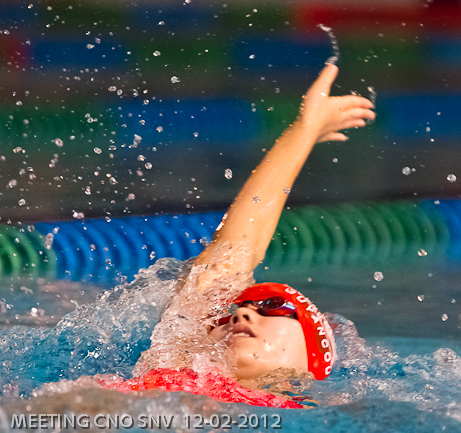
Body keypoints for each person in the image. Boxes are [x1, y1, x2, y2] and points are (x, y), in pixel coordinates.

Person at [100, 64, 375, 407]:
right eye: (231, 312)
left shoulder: (312, 414)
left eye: (275, 306)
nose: (242, 315)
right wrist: (303, 130)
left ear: (314, 357)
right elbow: (232, 255)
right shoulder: (174, 364)